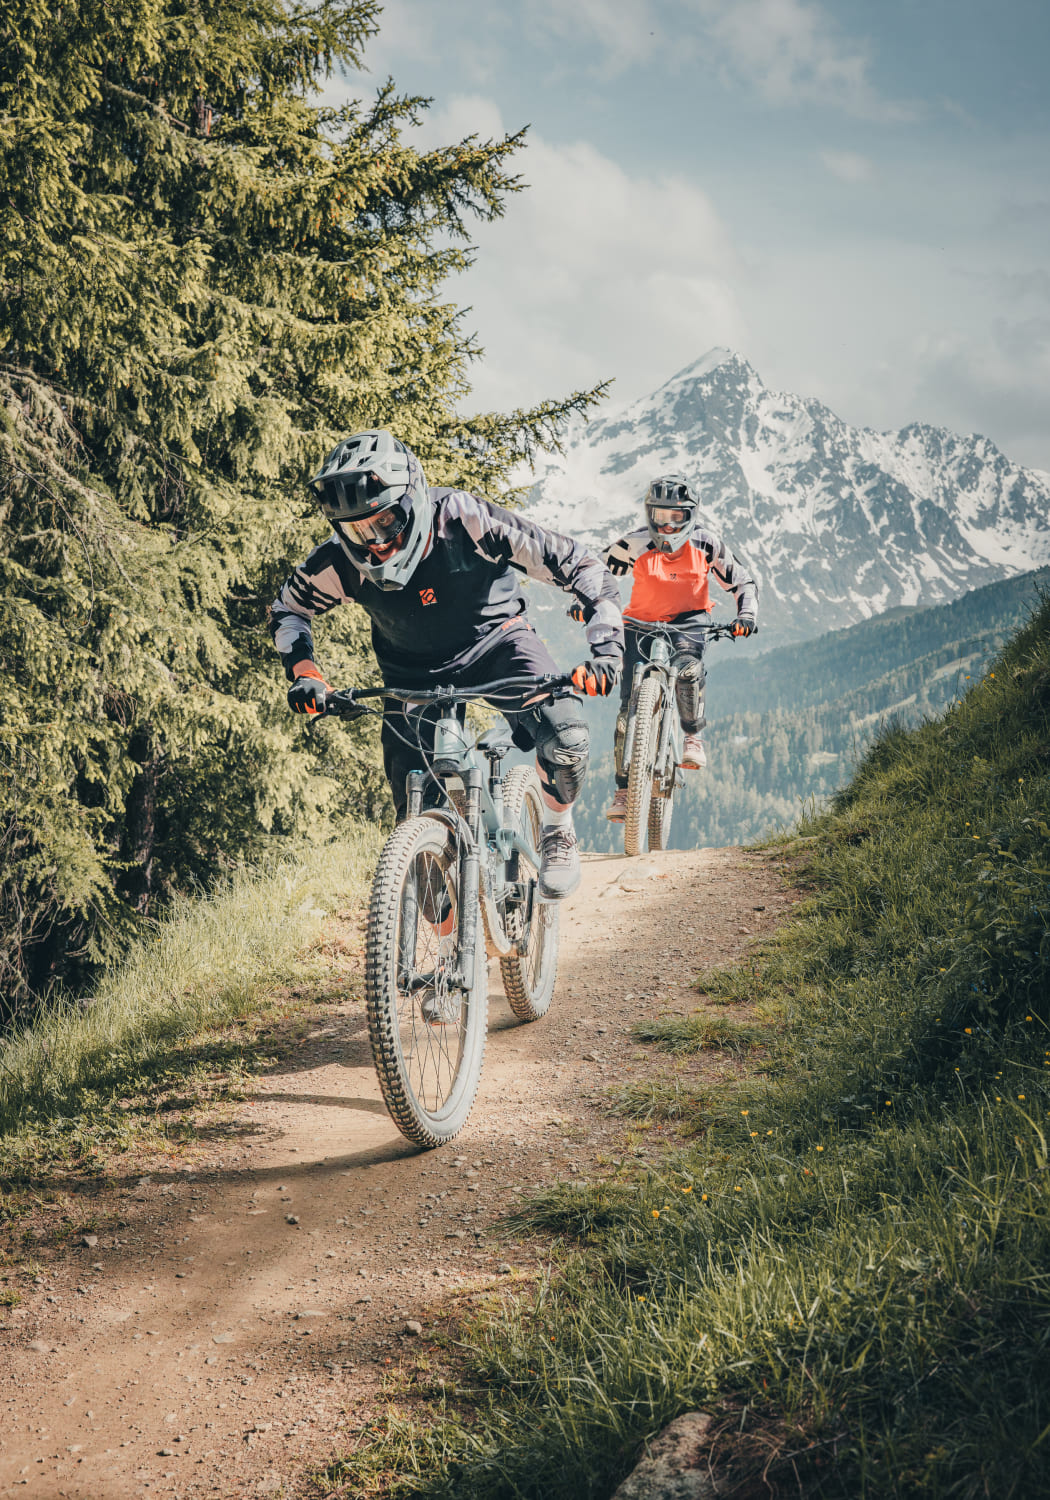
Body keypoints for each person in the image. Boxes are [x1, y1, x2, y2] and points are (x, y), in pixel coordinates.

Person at [268, 430, 624, 898]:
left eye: (385, 522)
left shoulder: (464, 519)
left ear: (412, 499)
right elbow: (289, 610)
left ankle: (558, 831)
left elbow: (581, 566)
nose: (375, 543)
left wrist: (606, 651)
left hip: (498, 647)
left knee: (567, 738)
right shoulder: (339, 562)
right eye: (357, 530)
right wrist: (305, 672)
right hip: (410, 676)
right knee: (422, 867)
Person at [598, 474, 758, 822]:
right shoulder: (635, 544)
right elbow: (595, 572)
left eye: (676, 517)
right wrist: (586, 602)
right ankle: (624, 791)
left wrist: (746, 613)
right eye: (660, 516)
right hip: (638, 625)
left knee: (688, 671)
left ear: (691, 515)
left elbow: (741, 579)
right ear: (649, 514)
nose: (668, 526)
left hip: (689, 623)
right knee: (627, 713)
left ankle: (692, 738)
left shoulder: (706, 544)